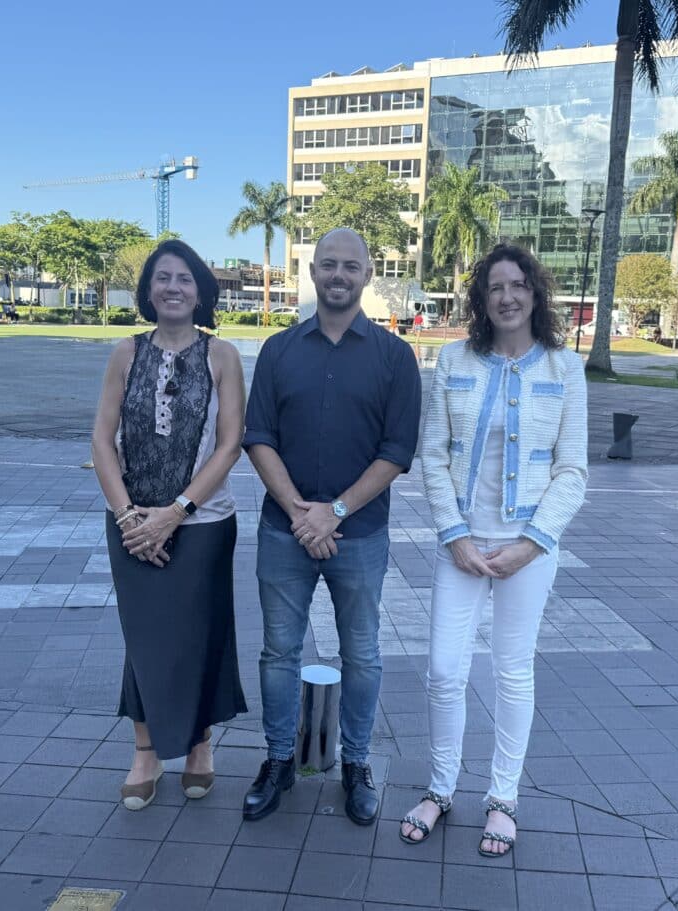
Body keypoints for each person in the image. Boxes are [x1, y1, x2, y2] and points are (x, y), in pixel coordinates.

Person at [399, 243, 587, 858]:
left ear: (536, 293)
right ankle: (441, 787)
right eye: (495, 287)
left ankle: (503, 798)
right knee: (445, 670)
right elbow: (432, 453)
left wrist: (533, 543)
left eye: (518, 285)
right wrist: (453, 534)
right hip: (463, 544)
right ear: (481, 299)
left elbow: (573, 471)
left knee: (512, 670)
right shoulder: (454, 359)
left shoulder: (564, 368)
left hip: (526, 549)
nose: (507, 296)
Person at [242, 228, 422, 825]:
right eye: (328, 265)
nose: (338, 275)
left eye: (351, 266)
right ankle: (277, 761)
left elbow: (397, 451)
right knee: (278, 653)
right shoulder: (278, 350)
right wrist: (299, 511)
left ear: (368, 274)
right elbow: (258, 437)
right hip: (283, 531)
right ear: (312, 273)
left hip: (360, 535)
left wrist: (334, 511)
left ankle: (356, 765)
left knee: (363, 655)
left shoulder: (396, 358)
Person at [91, 239, 248, 811]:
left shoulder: (223, 355)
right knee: (144, 637)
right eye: (163, 278)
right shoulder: (124, 353)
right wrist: (131, 516)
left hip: (203, 523)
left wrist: (176, 512)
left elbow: (231, 445)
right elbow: (101, 440)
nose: (174, 287)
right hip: (131, 524)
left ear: (201, 291)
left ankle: (202, 745)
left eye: (185, 278)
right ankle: (146, 750)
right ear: (149, 290)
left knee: (201, 631)